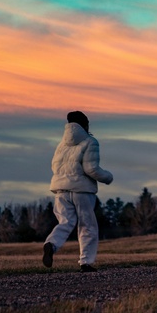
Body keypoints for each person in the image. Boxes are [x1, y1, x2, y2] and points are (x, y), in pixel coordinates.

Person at [42, 111, 114, 272]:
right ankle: (86, 262)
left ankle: (51, 244)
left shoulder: (62, 144)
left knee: (65, 222)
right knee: (87, 226)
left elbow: (54, 166)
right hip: (82, 191)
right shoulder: (90, 141)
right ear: (85, 124)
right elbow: (91, 168)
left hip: (61, 190)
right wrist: (107, 177)